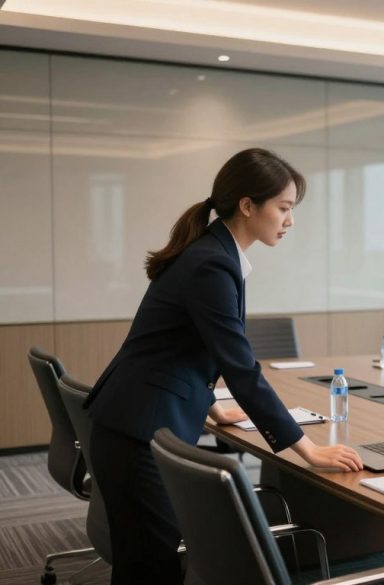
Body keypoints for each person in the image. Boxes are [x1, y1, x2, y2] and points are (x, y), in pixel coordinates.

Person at [84, 148, 364, 585]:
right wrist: (306, 450)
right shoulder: (212, 262)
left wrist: (212, 406)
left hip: (132, 418)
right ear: (248, 205)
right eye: (284, 208)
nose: (290, 221)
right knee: (150, 567)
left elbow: (182, 346)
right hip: (137, 432)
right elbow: (240, 366)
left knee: (143, 563)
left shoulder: (213, 251)